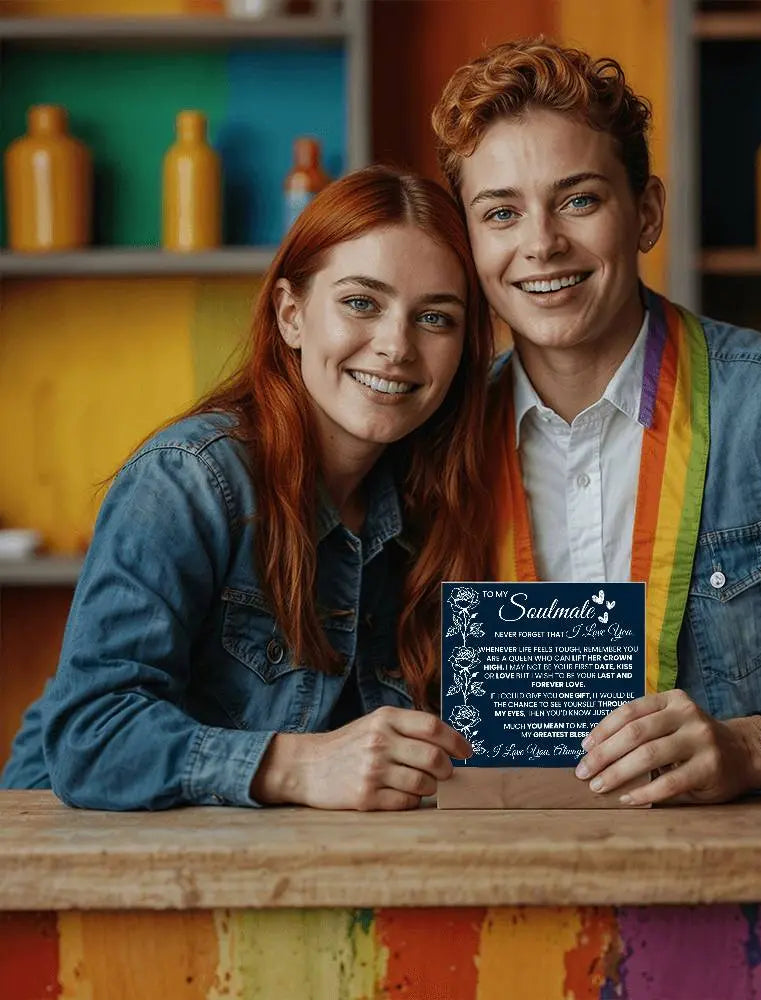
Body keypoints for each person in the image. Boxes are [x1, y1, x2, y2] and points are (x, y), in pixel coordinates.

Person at [431, 39, 761, 807]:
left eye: (579, 199)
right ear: (470, 241)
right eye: (502, 212)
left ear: (646, 212)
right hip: (507, 879)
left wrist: (754, 745)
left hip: (748, 888)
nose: (540, 243)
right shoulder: (435, 433)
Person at [0, 166, 494, 811]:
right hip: (76, 860)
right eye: (361, 303)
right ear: (292, 314)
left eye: (435, 318)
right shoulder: (189, 476)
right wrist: (301, 766)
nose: (396, 346)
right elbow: (89, 737)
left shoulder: (437, 495)